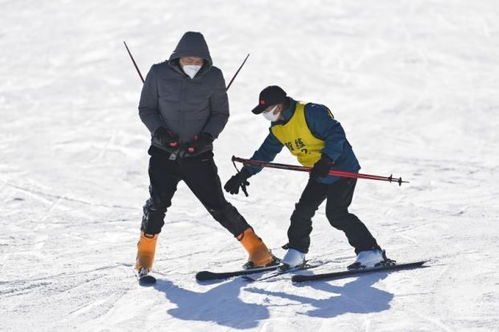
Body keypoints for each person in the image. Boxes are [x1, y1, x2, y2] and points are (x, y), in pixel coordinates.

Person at [135, 32, 277, 279]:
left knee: (217, 206)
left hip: (197, 156)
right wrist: (160, 134)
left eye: (199, 60)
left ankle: (259, 252)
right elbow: (146, 109)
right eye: (188, 58)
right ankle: (144, 258)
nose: (193, 64)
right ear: (177, 57)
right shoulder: (158, 73)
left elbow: (220, 114)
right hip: (163, 154)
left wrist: (206, 138)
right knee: (157, 206)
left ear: (206, 61)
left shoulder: (214, 77)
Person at [224, 85, 388, 270]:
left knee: (337, 214)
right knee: (302, 212)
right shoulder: (278, 128)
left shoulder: (310, 112)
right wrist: (244, 173)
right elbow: (265, 153)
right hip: (319, 173)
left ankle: (371, 252)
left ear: (280, 106)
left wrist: (327, 159)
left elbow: (336, 133)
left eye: (268, 110)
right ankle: (297, 252)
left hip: (341, 169)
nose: (267, 114)